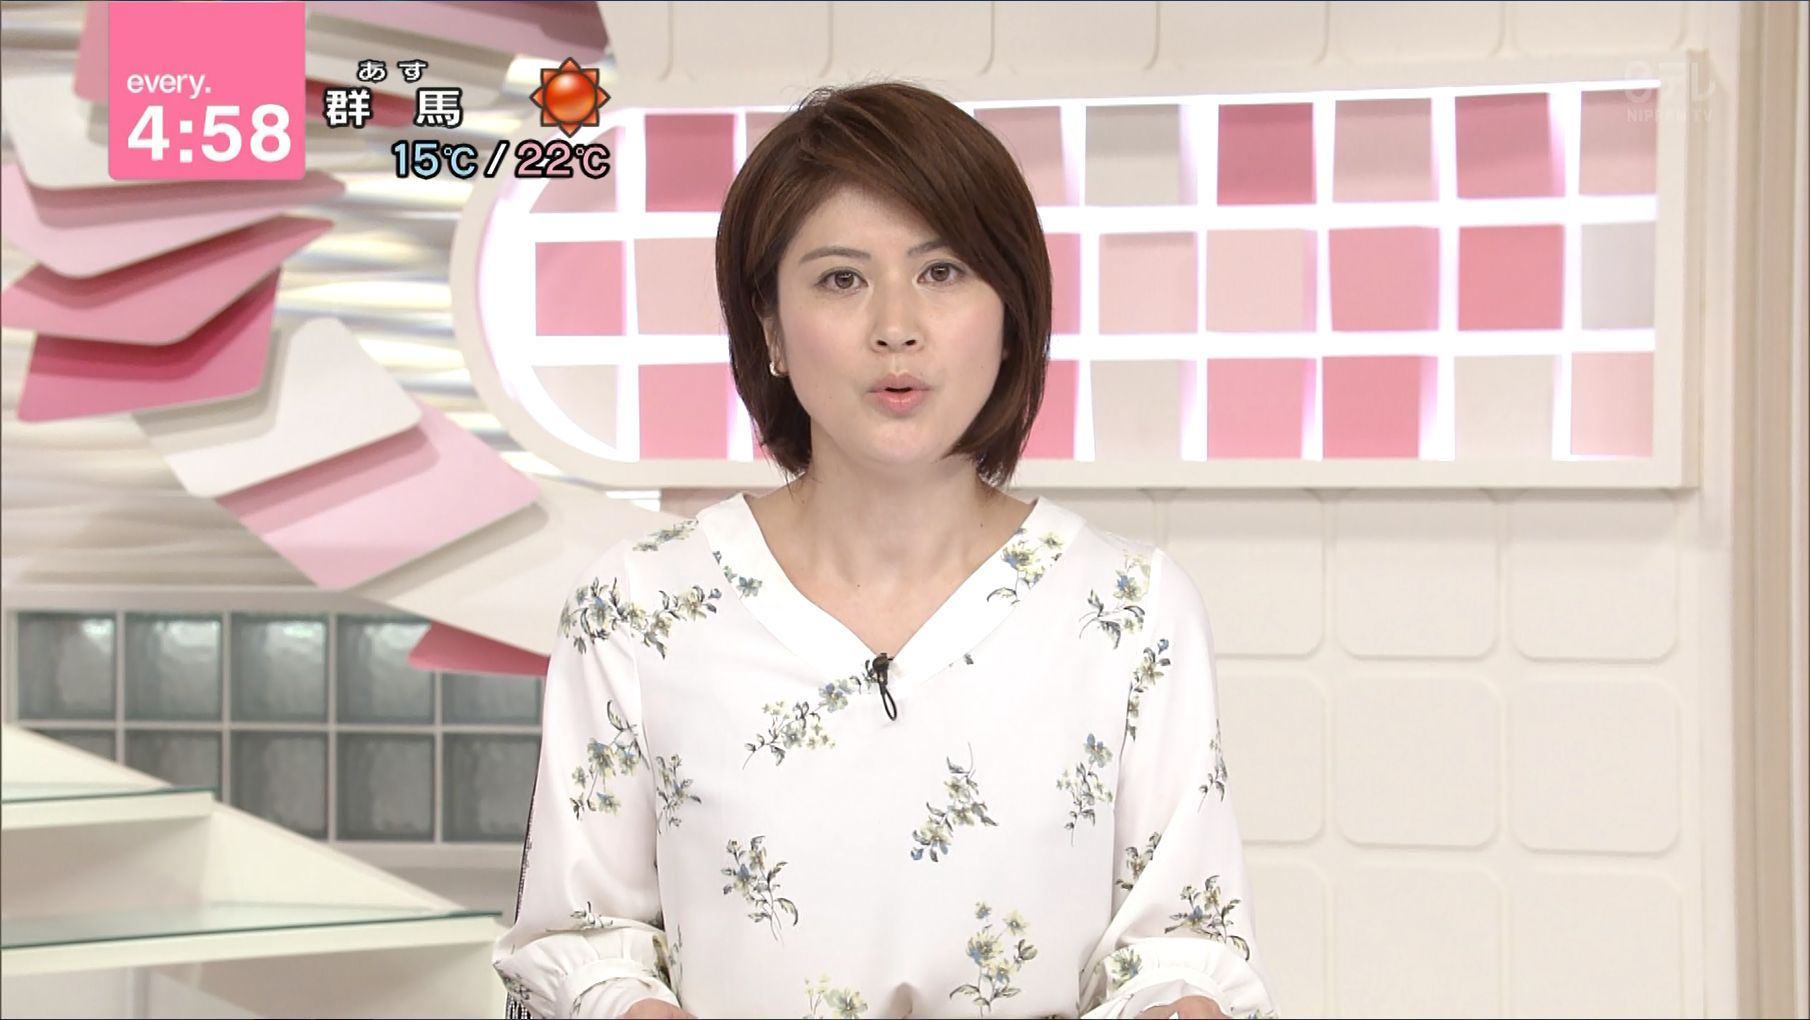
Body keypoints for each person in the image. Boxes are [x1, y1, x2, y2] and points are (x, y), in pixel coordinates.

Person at [493, 81, 1278, 1020]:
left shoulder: (1133, 608)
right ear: (770, 326)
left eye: (943, 272)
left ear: (1011, 310)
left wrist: (1178, 999)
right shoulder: (638, 606)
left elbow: (1183, 945)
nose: (896, 326)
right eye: (842, 279)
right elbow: (577, 942)